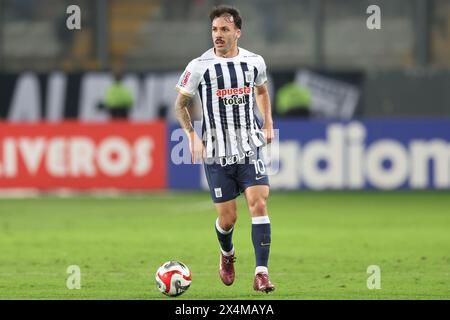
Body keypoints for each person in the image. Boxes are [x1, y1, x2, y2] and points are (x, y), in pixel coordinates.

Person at [174, 5, 275, 293]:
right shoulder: (198, 66)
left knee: (259, 203)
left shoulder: (255, 62)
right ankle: (227, 254)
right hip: (217, 153)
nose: (218, 35)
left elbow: (262, 90)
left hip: (249, 147)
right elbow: (179, 106)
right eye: (215, 29)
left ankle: (261, 273)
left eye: (224, 29)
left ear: (237, 32)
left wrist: (268, 122)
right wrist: (192, 136)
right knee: (227, 218)